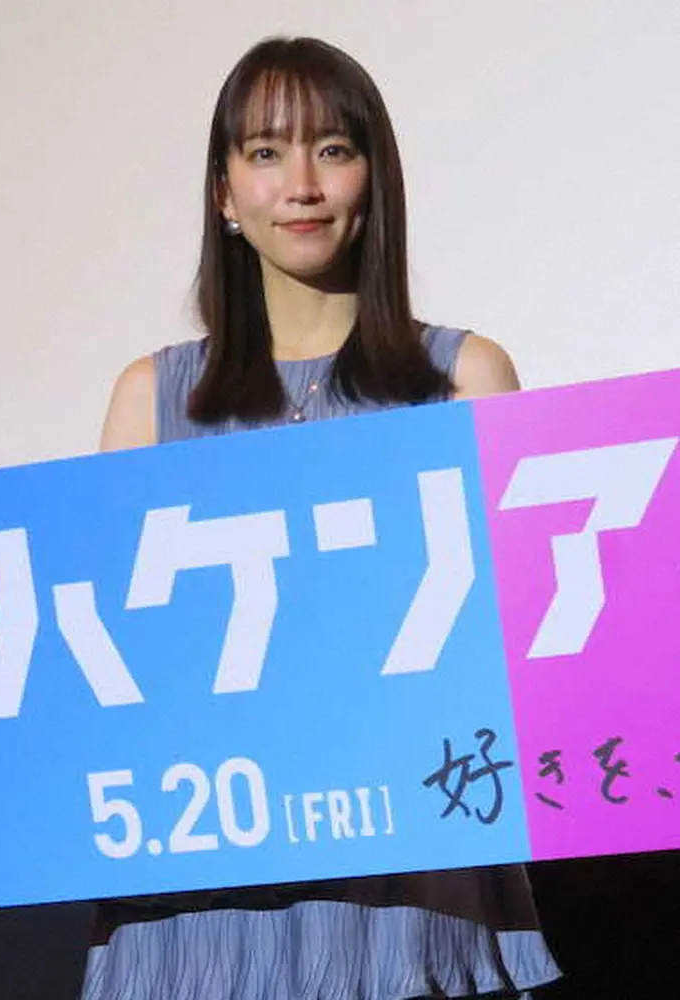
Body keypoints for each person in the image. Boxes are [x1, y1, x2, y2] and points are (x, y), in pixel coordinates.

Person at [85, 35, 560, 1000]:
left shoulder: (462, 380)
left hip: (406, 903)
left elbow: (527, 650)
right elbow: (112, 681)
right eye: (265, 152)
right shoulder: (151, 399)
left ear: (373, 178)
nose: (300, 185)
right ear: (223, 193)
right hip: (200, 920)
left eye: (332, 150)